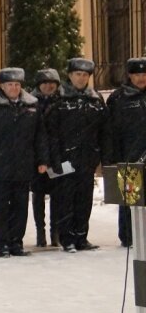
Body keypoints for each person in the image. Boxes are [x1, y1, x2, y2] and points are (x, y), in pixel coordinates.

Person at [0, 68, 48, 257]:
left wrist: (42, 160)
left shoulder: (31, 105)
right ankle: (1, 243)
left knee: (20, 206)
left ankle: (17, 242)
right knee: (1, 206)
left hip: (23, 164)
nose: (14, 88)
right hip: (0, 165)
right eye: (10, 85)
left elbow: (40, 135)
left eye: (17, 85)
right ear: (2, 86)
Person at [44, 58, 105, 253]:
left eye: (85, 75)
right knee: (65, 199)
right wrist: (54, 159)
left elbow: (104, 130)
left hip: (87, 158)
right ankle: (67, 238)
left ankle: (81, 236)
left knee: (84, 199)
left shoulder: (95, 100)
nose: (81, 78)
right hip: (64, 159)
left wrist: (99, 156)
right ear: (70, 76)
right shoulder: (58, 100)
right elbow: (50, 133)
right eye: (78, 74)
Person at [103, 58, 146, 248]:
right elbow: (111, 130)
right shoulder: (118, 99)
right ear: (130, 75)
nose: (141, 78)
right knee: (129, 201)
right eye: (137, 75)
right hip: (129, 156)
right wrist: (112, 158)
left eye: (144, 75)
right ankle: (128, 236)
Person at [30, 69, 61, 247]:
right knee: (38, 195)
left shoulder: (63, 102)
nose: (49, 86)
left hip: (58, 156)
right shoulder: (31, 103)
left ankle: (54, 232)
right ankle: (40, 232)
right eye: (45, 83)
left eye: (52, 83)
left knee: (57, 195)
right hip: (37, 157)